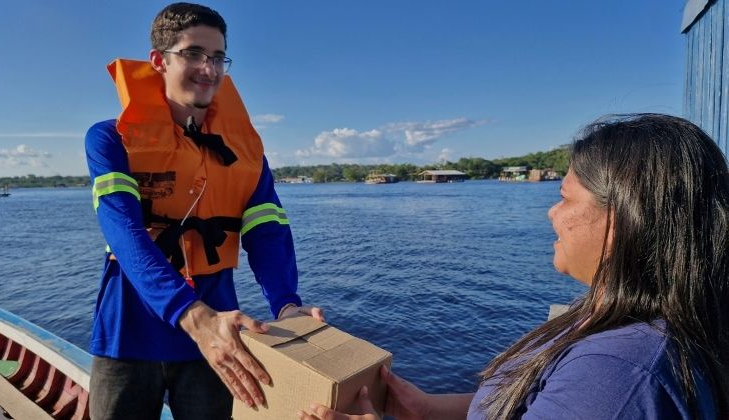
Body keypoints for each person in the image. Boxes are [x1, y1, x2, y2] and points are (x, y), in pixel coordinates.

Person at [299, 114, 728, 420]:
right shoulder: (626, 325)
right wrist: (429, 409)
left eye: (564, 197)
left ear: (619, 221)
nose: (551, 214)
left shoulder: (617, 376)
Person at [84, 3, 323, 419]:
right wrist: (192, 316)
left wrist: (286, 304)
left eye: (217, 58)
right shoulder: (109, 138)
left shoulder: (247, 152)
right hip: (129, 336)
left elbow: (267, 231)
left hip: (217, 340)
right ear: (159, 60)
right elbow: (123, 230)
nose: (208, 69)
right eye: (193, 54)